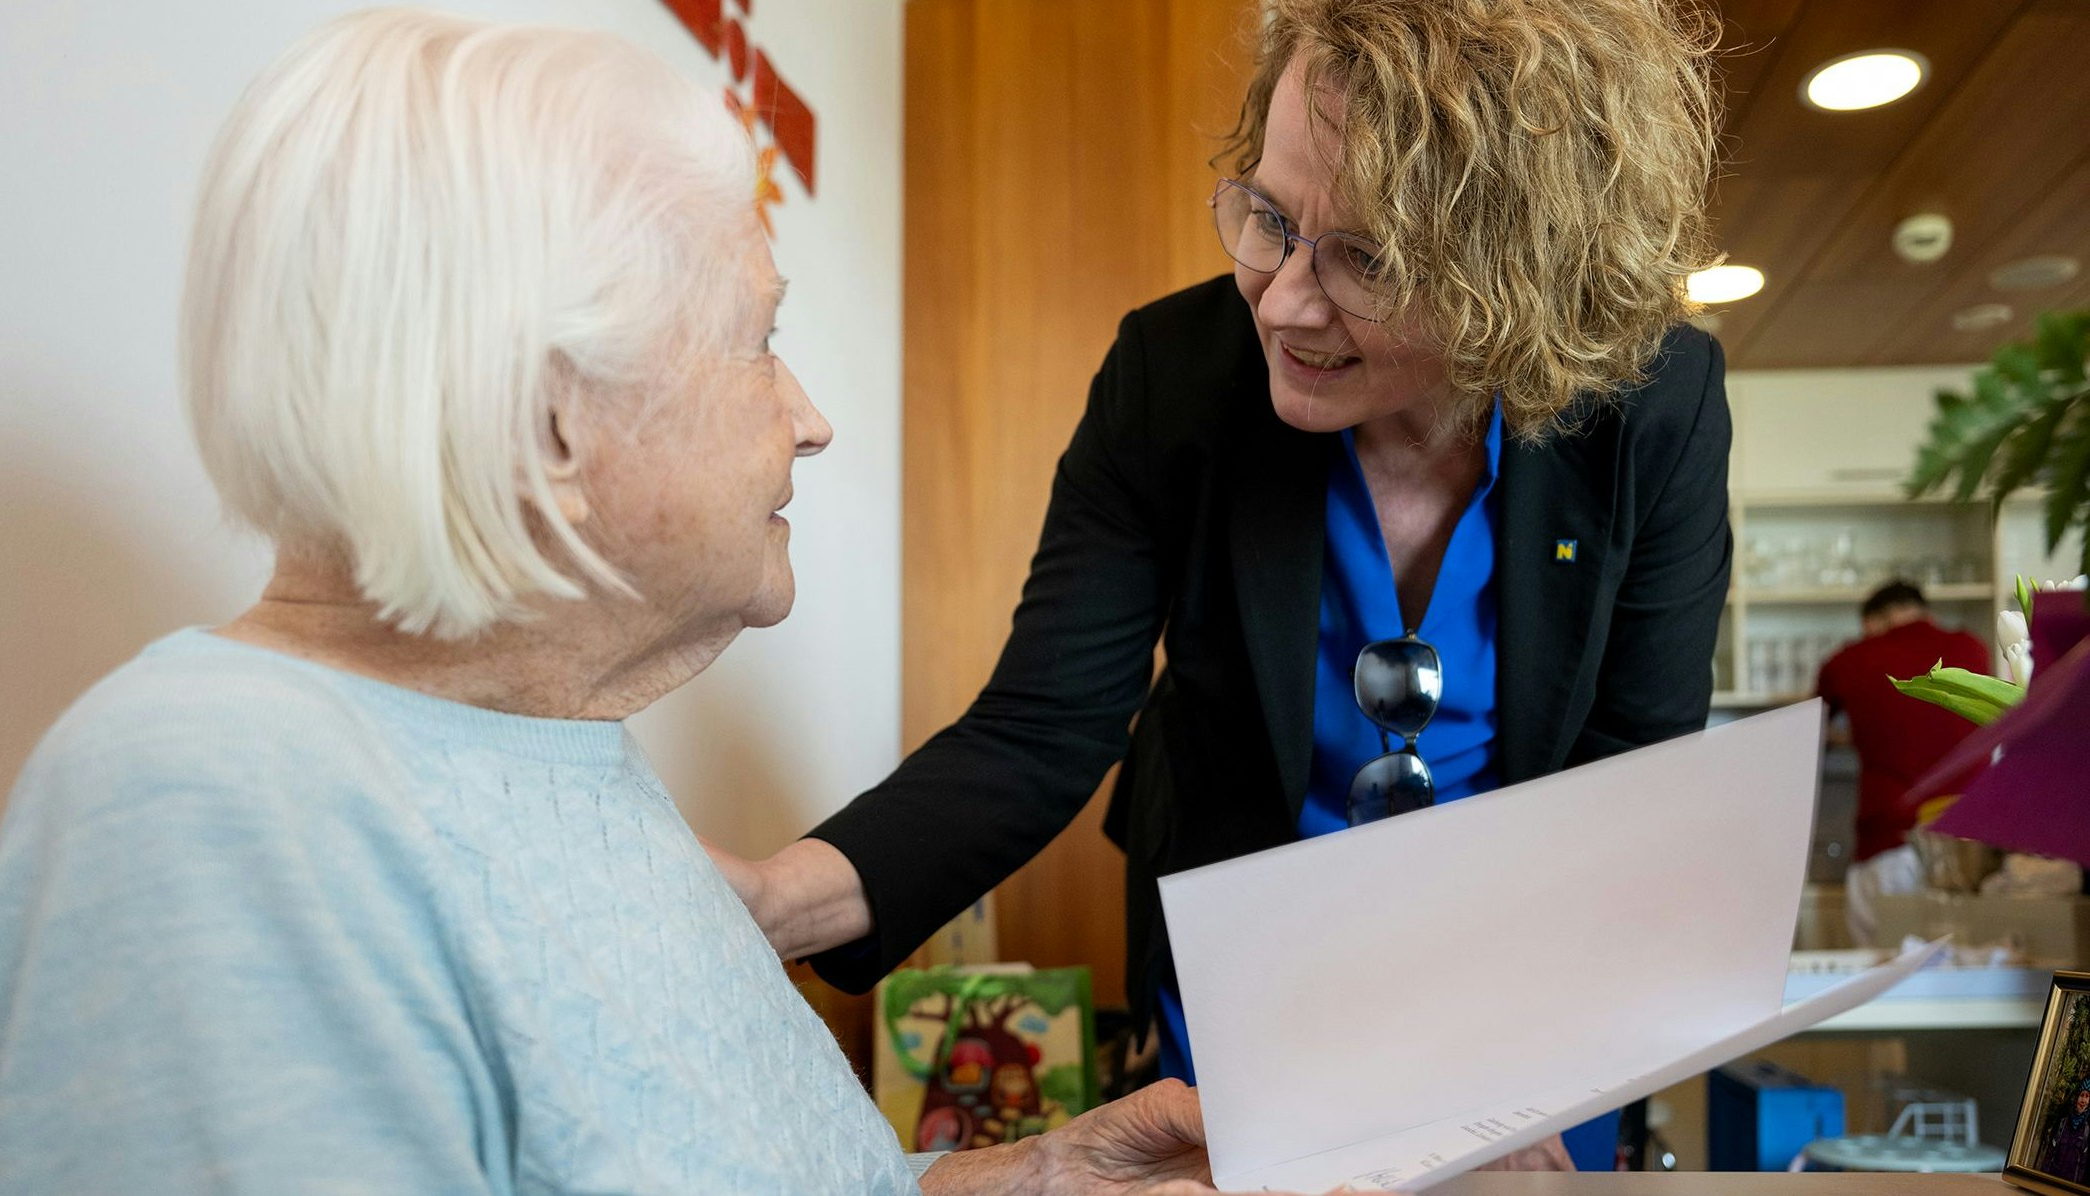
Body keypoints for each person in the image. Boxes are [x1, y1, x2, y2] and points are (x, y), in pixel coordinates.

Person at [0, 12, 1235, 1194]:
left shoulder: (559, 754)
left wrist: (1027, 1178)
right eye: (755, 339)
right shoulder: (212, 810)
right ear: (552, 419)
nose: (809, 418)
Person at [712, 0, 1727, 1171]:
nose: (1282, 301)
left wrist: (1532, 1075)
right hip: (1243, 991)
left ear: (1520, 276)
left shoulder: (1654, 403)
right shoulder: (1172, 377)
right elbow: (1040, 726)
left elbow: (1633, 777)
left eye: (1368, 258)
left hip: (1537, 993)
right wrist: (765, 902)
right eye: (1270, 217)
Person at [1815, 581, 1989, 863]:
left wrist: (1849, 736)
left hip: (1889, 842)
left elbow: (1811, 731)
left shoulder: (1850, 660)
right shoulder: (1973, 647)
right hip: (1969, 844)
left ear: (1874, 621)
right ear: (1926, 615)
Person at [2039, 1078, 2090, 1183]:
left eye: (2087, 1096)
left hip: (2070, 1184)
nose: (2083, 1100)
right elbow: (2050, 1152)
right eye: (2081, 1095)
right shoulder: (2063, 1122)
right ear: (2076, 1097)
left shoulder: (2087, 1130)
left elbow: (2083, 1165)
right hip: (2052, 1178)